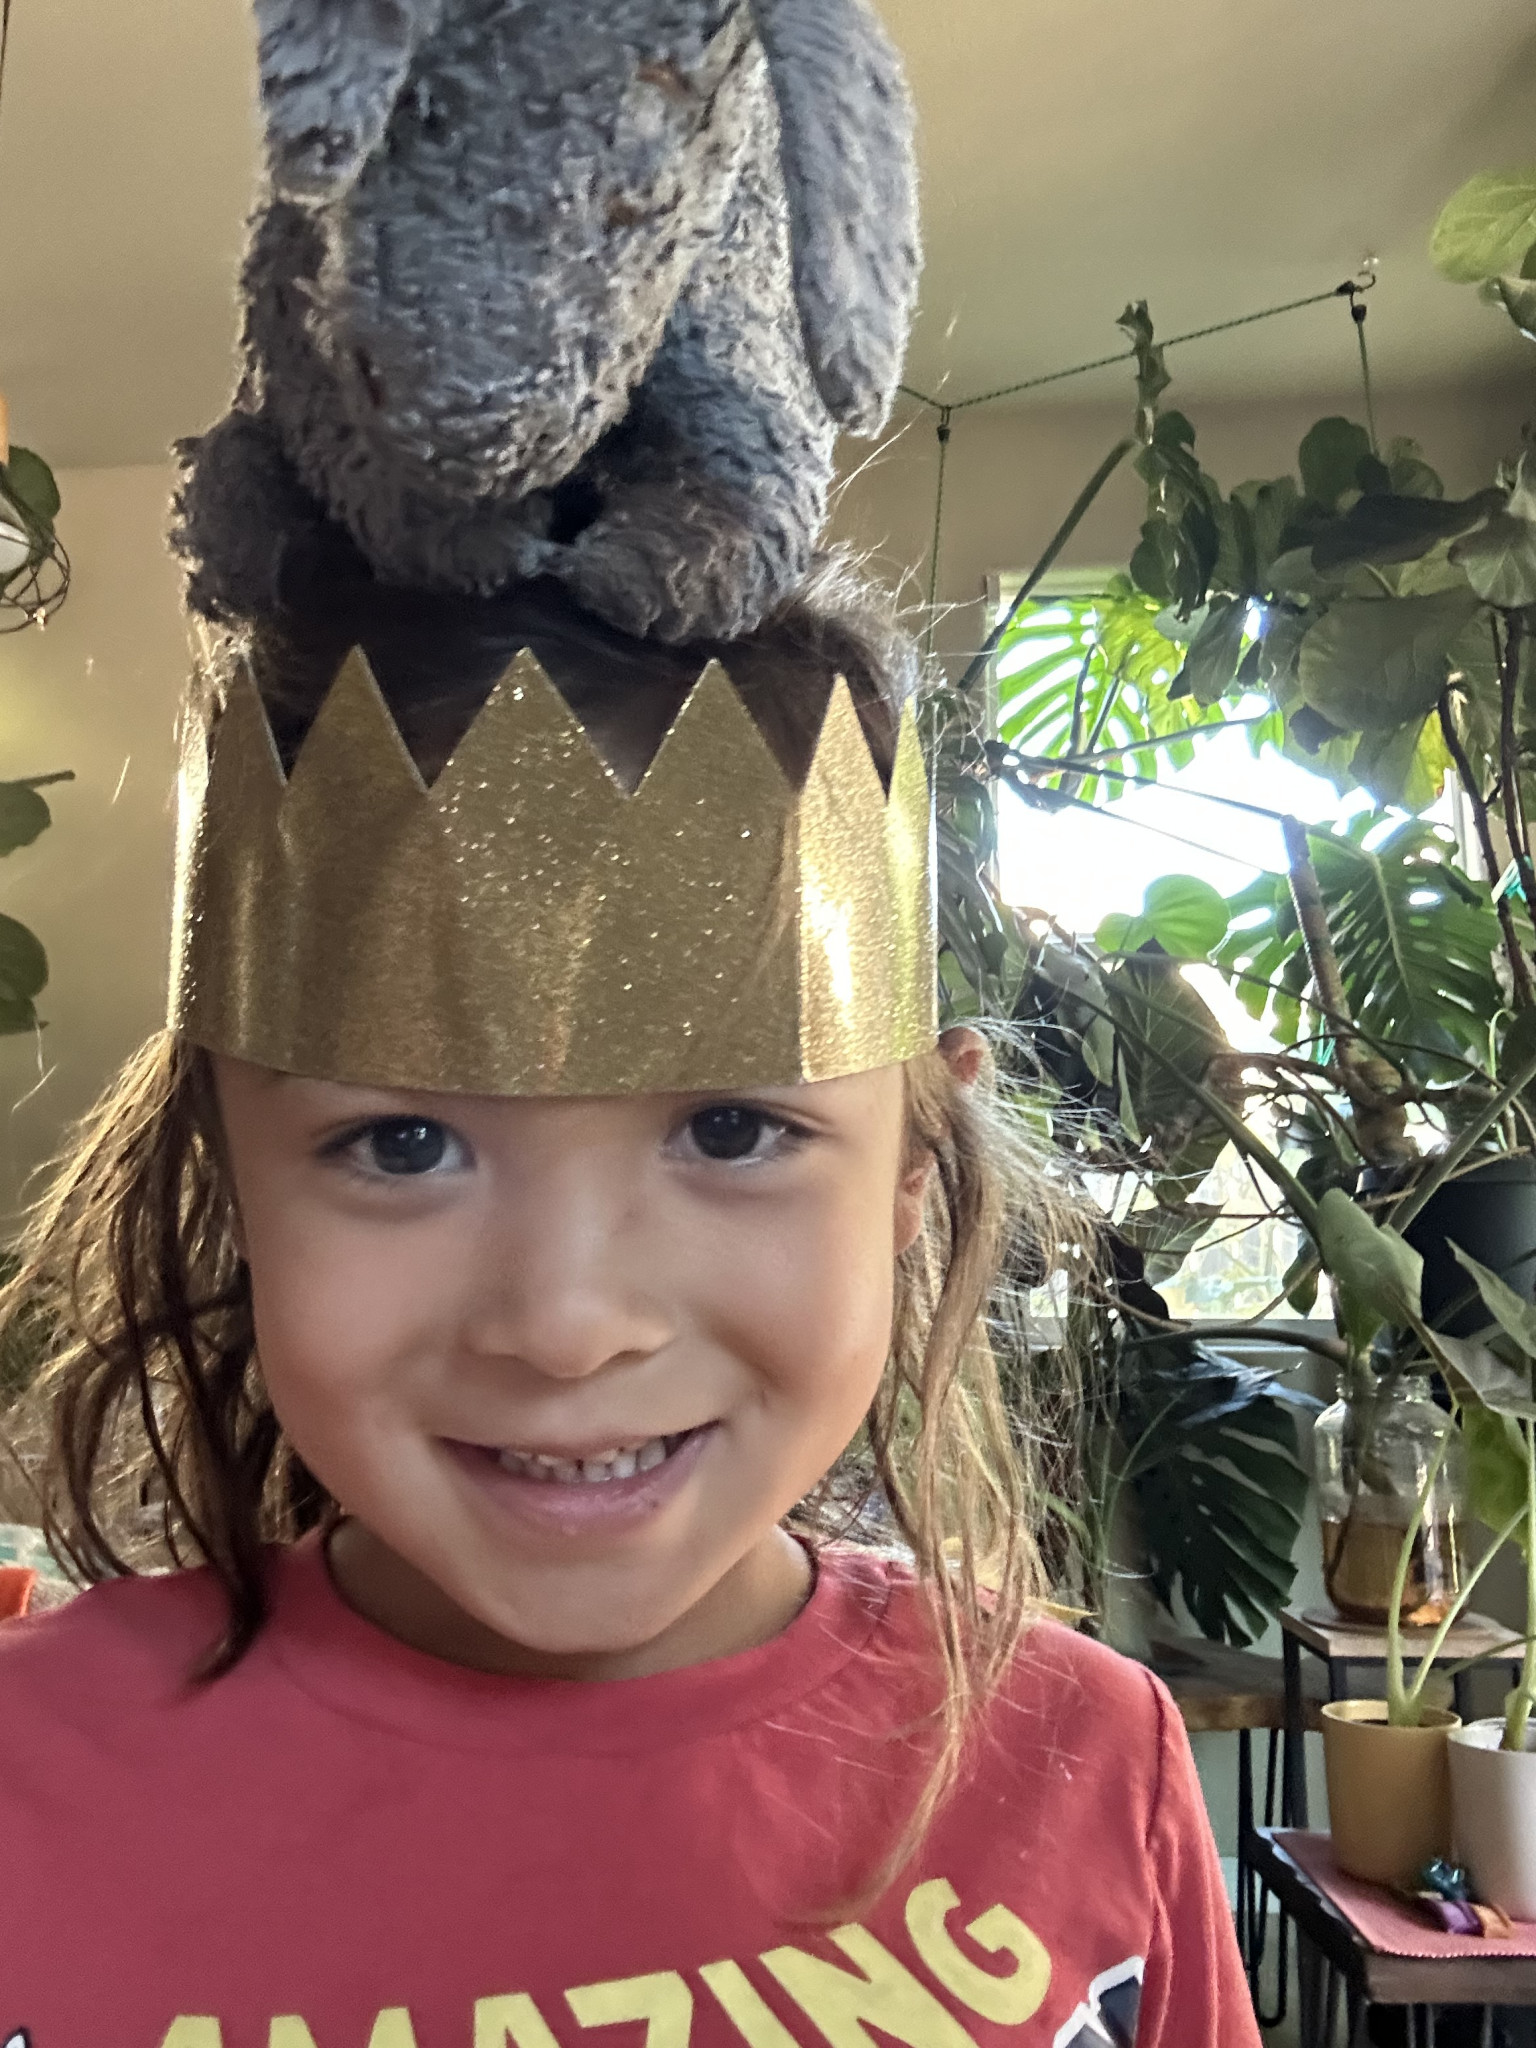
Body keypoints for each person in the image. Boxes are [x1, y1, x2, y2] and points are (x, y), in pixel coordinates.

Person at [0, 5, 1260, 2043]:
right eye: (401, 1142)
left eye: (734, 1129)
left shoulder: (1087, 1768)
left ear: (916, 1159)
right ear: (229, 1158)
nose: (568, 1323)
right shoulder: (28, 1803)